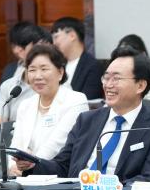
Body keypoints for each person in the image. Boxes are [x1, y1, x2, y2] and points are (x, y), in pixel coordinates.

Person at [15, 46, 150, 183]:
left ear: (140, 85)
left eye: (116, 78)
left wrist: (107, 187)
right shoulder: (87, 120)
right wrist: (34, 164)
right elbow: (62, 166)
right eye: (106, 77)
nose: (108, 85)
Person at [8, 44, 89, 176]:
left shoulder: (76, 101)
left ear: (60, 72)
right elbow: (15, 144)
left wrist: (30, 166)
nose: (38, 76)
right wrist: (13, 167)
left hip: (58, 175)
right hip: (24, 176)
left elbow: (56, 144)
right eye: (32, 70)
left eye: (44, 69)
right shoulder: (26, 105)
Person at [0, 25, 51, 123]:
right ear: (21, 51)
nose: (44, 53)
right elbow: (0, 123)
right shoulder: (8, 86)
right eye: (38, 48)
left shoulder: (61, 85)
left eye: (48, 49)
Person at [51, 16, 104, 100]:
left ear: (72, 35)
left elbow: (89, 100)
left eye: (56, 37)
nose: (54, 43)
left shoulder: (93, 66)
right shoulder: (58, 65)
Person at [117, 33, 150, 108]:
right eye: (121, 56)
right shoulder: (116, 80)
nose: (124, 61)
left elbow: (149, 111)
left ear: (143, 55)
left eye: (128, 56)